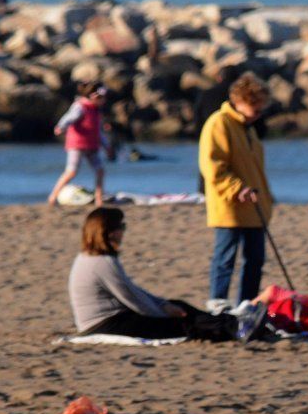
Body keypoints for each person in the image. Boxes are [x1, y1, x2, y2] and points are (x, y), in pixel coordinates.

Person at [68, 207, 266, 342]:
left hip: (112, 318)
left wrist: (164, 304)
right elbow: (133, 299)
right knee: (181, 322)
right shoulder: (102, 263)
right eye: (121, 227)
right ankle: (236, 328)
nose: (123, 232)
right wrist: (163, 313)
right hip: (105, 324)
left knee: (179, 305)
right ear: (108, 233)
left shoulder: (92, 258)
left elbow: (133, 291)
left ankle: (233, 322)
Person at [199, 72, 275, 313]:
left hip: (254, 205)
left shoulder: (248, 128)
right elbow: (213, 166)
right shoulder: (219, 123)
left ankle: (247, 303)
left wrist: (265, 196)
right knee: (226, 257)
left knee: (255, 260)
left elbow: (254, 168)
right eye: (256, 108)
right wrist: (236, 189)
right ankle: (218, 303)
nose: (259, 113)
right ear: (242, 101)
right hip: (229, 206)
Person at [48, 82, 112, 208]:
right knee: (71, 172)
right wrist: (61, 127)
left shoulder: (96, 111)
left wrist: (107, 146)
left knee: (100, 171)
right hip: (77, 144)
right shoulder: (81, 107)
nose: (104, 101)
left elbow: (98, 131)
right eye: (102, 98)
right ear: (94, 97)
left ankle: (99, 199)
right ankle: (53, 196)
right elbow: (69, 118)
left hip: (92, 145)